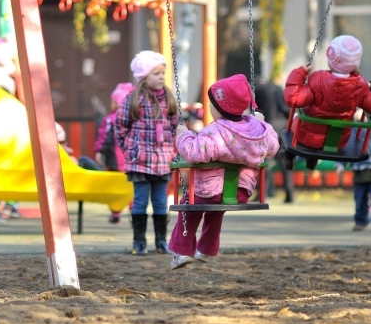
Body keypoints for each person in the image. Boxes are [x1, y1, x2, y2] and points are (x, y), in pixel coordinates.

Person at [169, 75, 280, 269]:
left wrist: (183, 136)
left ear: (219, 108)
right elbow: (273, 147)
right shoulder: (257, 129)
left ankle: (181, 250)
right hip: (240, 192)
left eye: (211, 104)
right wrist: (263, 124)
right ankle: (206, 250)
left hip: (209, 192)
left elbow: (194, 153)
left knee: (190, 205)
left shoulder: (215, 132)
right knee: (216, 209)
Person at [282, 35, 371, 170]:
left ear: (332, 59)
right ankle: (312, 158)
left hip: (307, 137)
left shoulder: (317, 80)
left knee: (297, 117)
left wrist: (299, 73)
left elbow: (293, 99)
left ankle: (290, 155)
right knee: (320, 125)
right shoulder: (361, 85)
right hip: (339, 141)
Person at [115, 51, 179, 255]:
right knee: (140, 201)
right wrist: (130, 150)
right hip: (140, 159)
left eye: (162, 73)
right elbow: (120, 127)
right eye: (156, 73)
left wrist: (174, 149)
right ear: (144, 76)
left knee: (160, 201)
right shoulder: (133, 100)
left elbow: (176, 126)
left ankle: (161, 241)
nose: (161, 77)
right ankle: (139, 241)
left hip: (162, 160)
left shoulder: (168, 99)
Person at [93, 82, 134, 224]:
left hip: (114, 160)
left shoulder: (110, 119)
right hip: (131, 160)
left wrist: (99, 151)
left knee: (116, 187)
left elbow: (104, 137)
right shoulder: (134, 118)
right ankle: (133, 210)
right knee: (131, 186)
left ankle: (115, 212)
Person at [254, 76, 295, 202]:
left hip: (269, 124)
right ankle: (290, 194)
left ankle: (264, 193)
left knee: (266, 159)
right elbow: (286, 108)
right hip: (283, 123)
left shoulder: (257, 89)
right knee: (284, 159)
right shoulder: (277, 87)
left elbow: (255, 111)